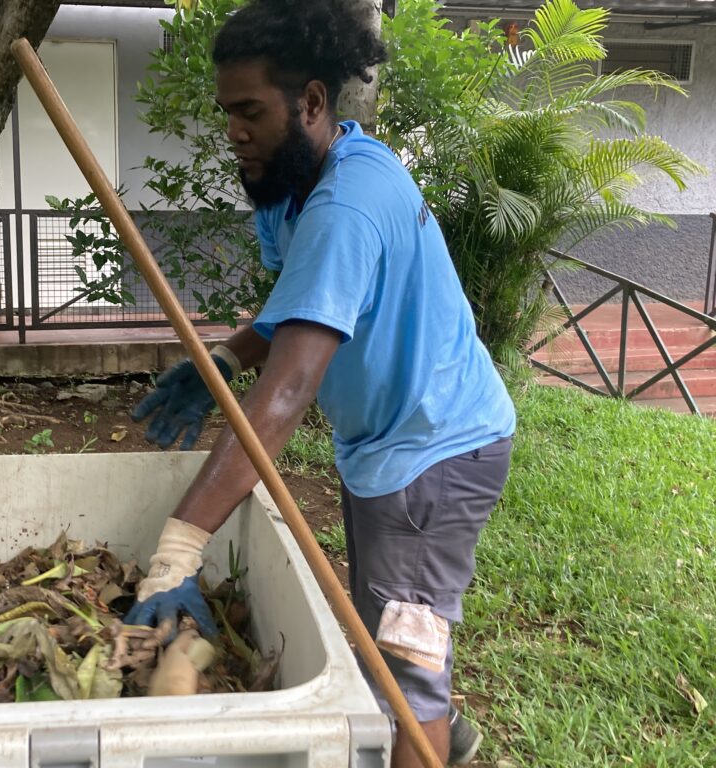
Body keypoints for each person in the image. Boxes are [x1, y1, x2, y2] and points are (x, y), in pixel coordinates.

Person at [125, 1, 516, 765]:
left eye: (250, 112)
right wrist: (227, 362)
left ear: (310, 101)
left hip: (437, 454)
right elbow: (294, 309)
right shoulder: (294, 183)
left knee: (408, 664)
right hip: (386, 449)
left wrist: (179, 547)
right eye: (226, 113)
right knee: (395, 627)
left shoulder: (347, 202)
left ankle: (429, 731)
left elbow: (289, 391)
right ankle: (444, 729)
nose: (233, 131)